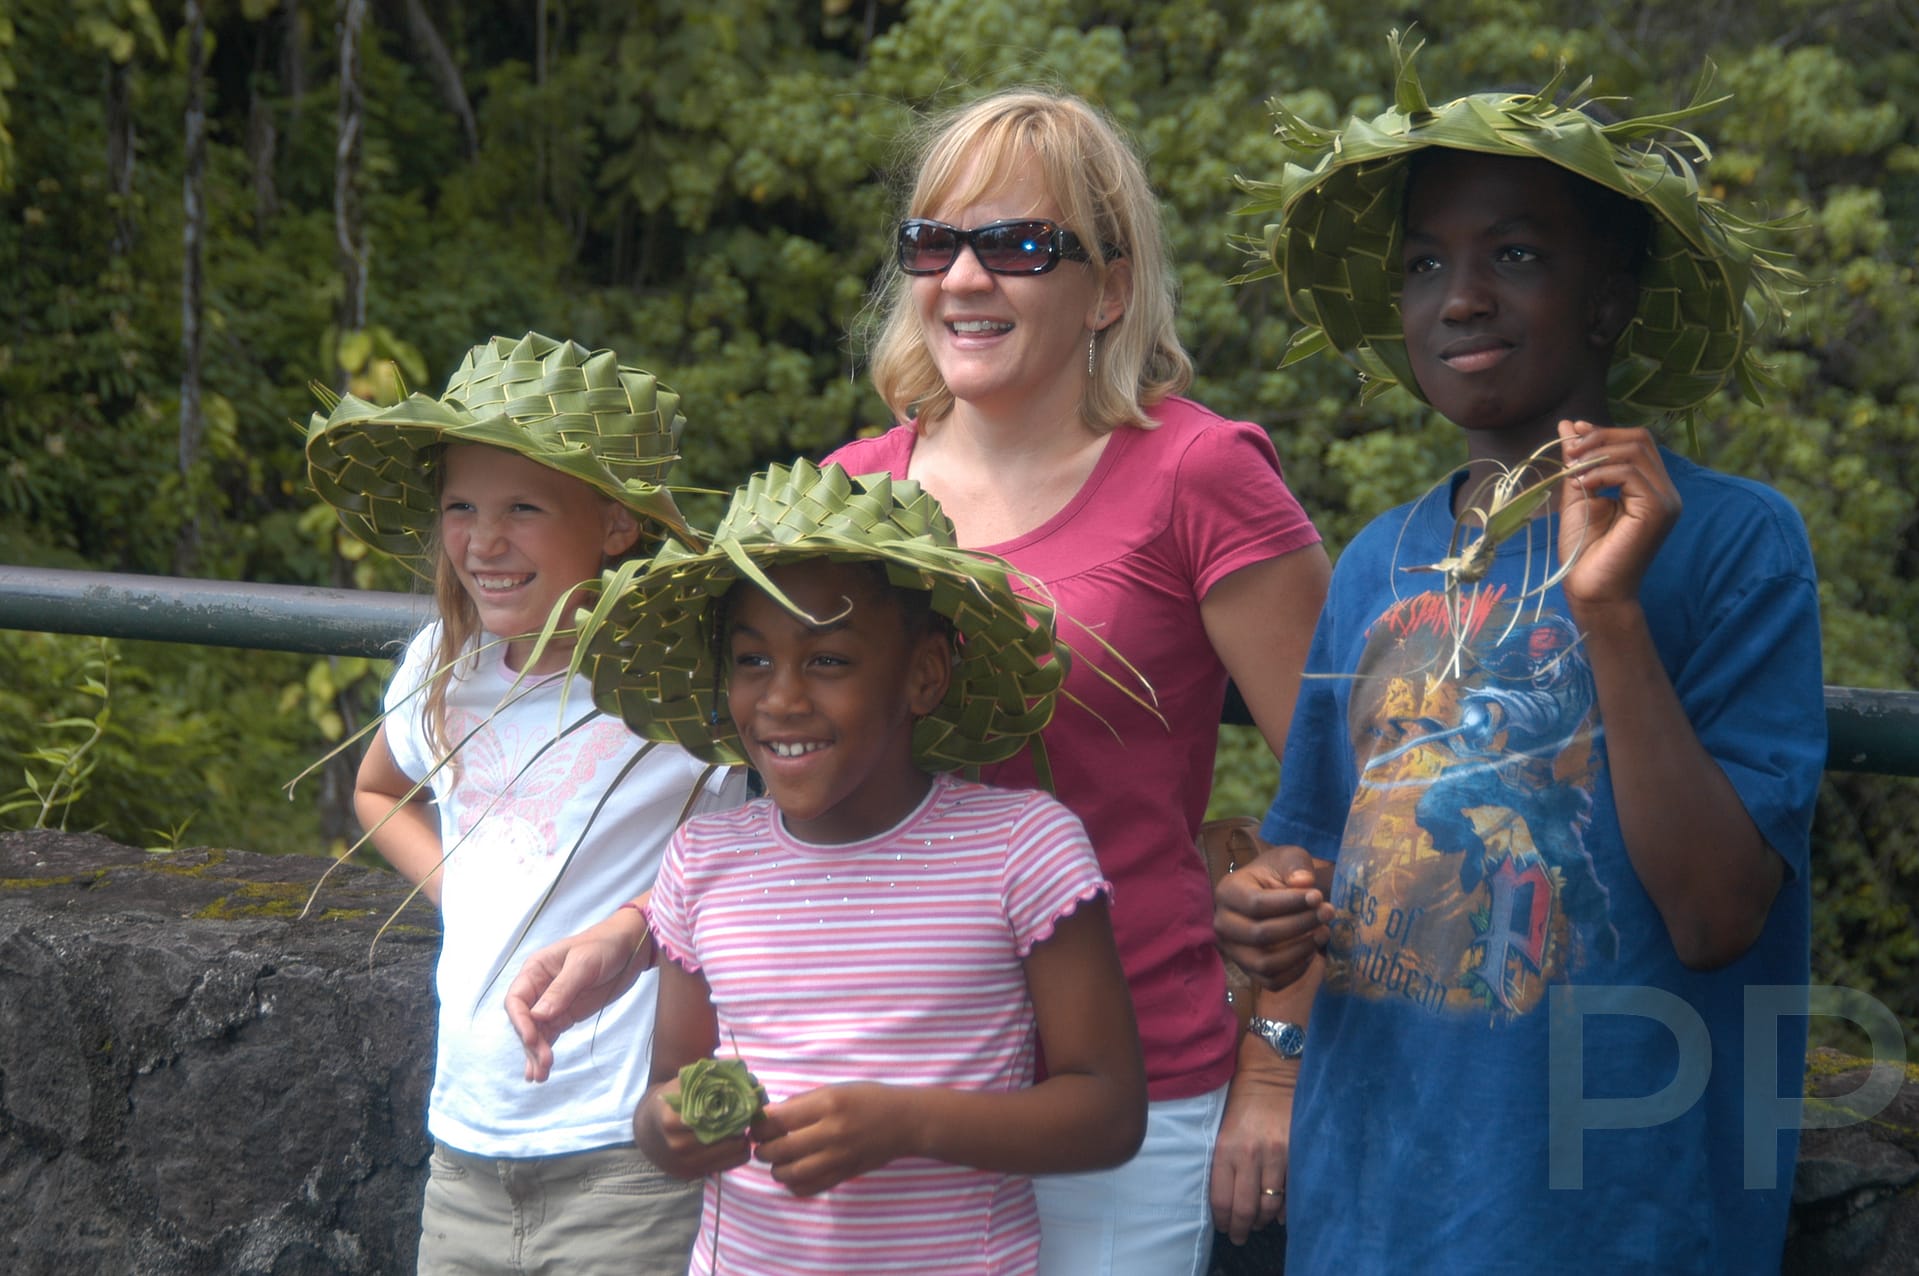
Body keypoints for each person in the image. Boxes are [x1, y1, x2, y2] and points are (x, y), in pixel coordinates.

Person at [507, 88, 1330, 1272]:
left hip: (1121, 1084)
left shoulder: (1198, 474)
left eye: (1020, 245)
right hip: (863, 1098)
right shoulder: (847, 495)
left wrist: (1272, 1064)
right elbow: (799, 790)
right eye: (933, 243)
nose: (964, 277)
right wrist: (637, 933)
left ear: (1107, 287)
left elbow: (1340, 778)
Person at [1215, 33, 1824, 1274]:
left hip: (1610, 1215)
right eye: (1426, 262)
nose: (1461, 296)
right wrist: (1262, 915)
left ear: (1605, 298)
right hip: (1371, 1204)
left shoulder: (1730, 542)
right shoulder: (1380, 557)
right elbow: (1314, 847)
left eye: (1517, 255)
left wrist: (1606, 612)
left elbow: (1715, 916)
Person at [577, 458, 1146, 1275]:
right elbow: (668, 1089)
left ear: (923, 675)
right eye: (750, 660)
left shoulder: (1021, 849)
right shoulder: (703, 858)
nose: (780, 699)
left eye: (829, 660)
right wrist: (668, 1127)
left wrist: (907, 1123)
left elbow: (1108, 1112)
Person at [304, 331, 749, 1276]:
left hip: (624, 1157)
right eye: (460, 506)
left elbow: (739, 863)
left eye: (523, 508)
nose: (482, 540)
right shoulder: (442, 666)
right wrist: (459, 891)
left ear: (617, 526)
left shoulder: (682, 693)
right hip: (464, 1146)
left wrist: (629, 925)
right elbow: (378, 788)